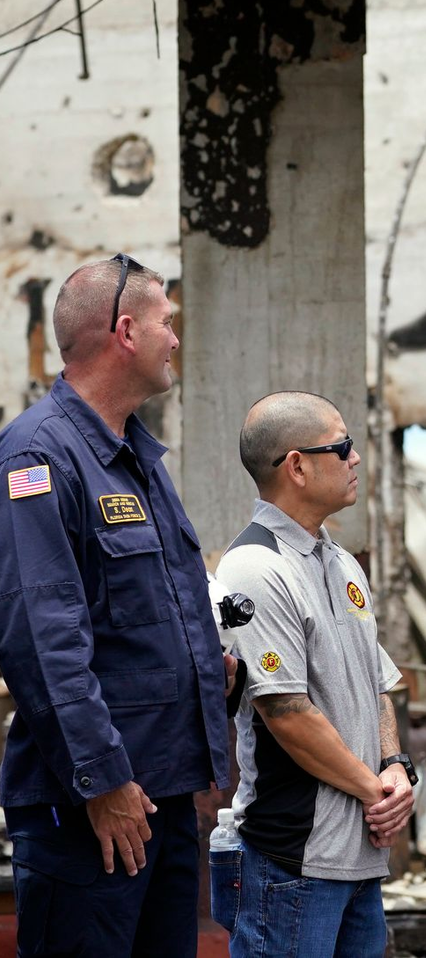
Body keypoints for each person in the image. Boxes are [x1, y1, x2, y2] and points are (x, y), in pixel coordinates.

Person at [0, 255, 235, 957]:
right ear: (125, 331)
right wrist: (102, 779)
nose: (176, 338)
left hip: (159, 796)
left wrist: (206, 675)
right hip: (92, 810)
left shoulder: (138, 457)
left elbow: (143, 616)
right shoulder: (38, 454)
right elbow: (41, 634)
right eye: (168, 322)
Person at [215, 391, 415, 957]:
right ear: (297, 465)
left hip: (357, 854)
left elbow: (375, 685)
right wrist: (375, 789)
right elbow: (286, 713)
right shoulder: (256, 568)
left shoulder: (340, 560)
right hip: (294, 858)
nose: (356, 459)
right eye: (343, 446)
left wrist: (395, 766)